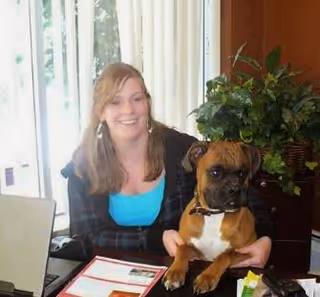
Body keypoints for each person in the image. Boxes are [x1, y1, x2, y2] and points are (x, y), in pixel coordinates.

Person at [61, 62, 272, 268]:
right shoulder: (83, 168)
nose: (129, 109)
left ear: (148, 103)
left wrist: (265, 238)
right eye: (115, 102)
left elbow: (245, 193)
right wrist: (156, 239)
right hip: (109, 276)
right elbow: (86, 239)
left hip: (176, 275)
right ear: (100, 111)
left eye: (137, 98)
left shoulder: (180, 149)